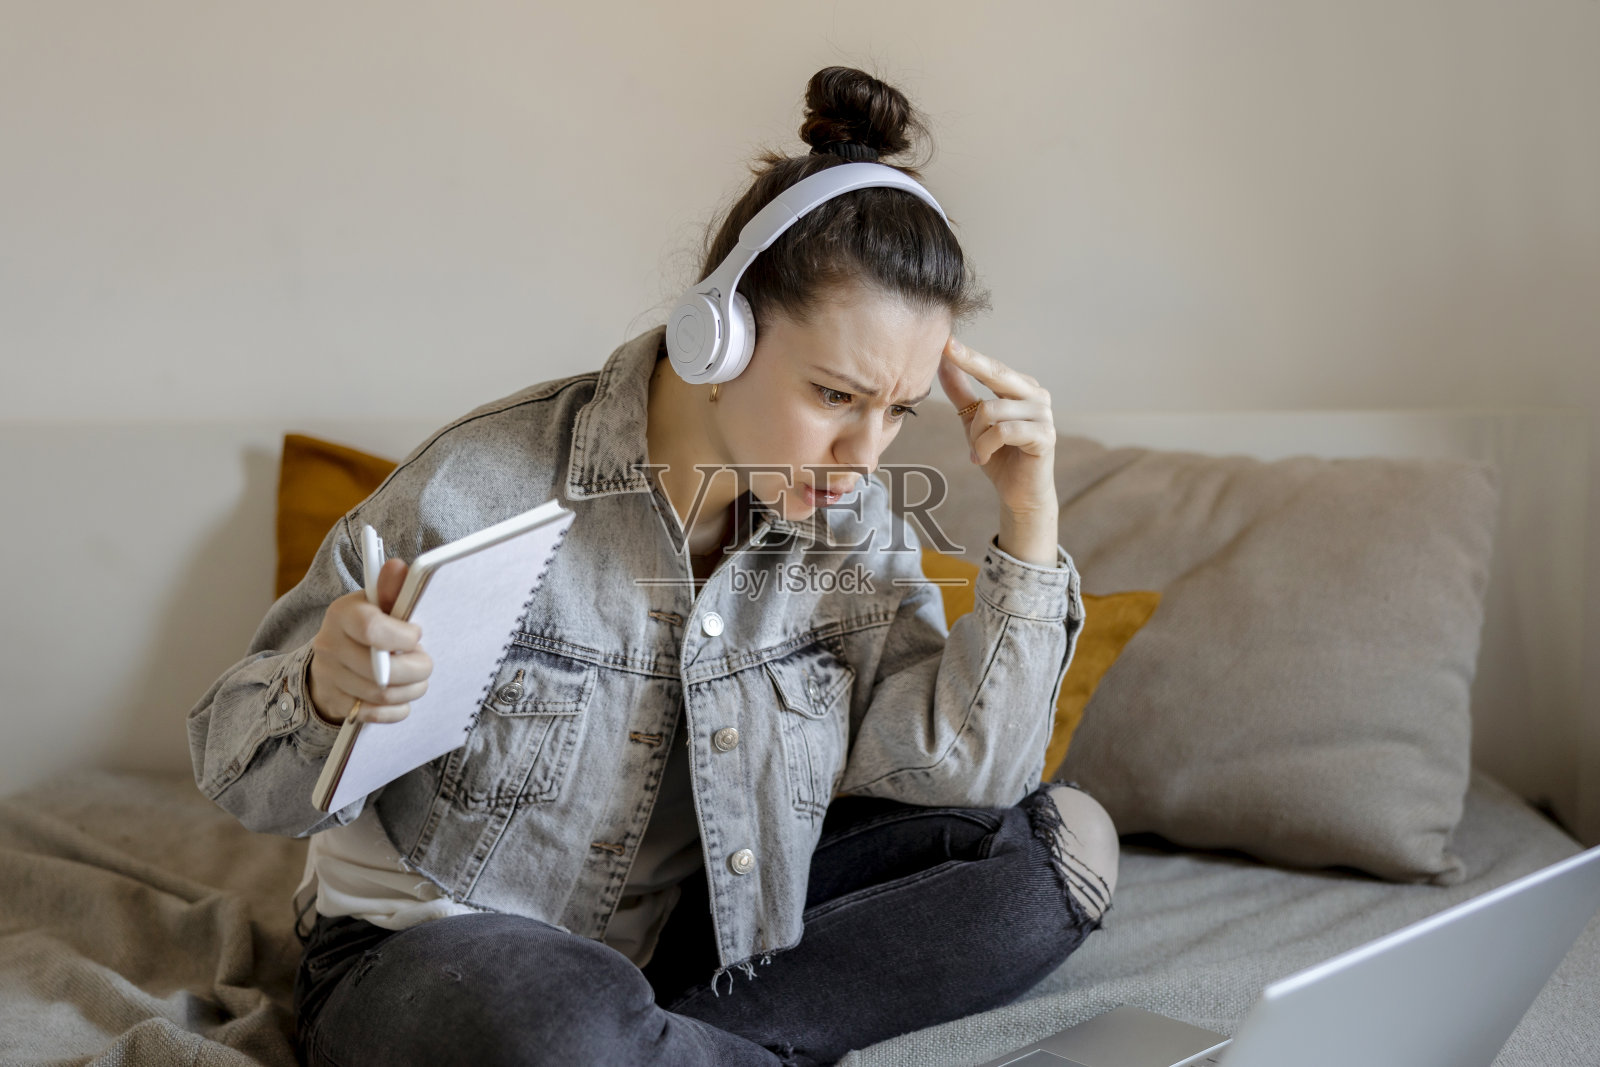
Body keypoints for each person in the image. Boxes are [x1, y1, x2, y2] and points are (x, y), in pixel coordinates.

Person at [188, 65, 1119, 1067]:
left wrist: (1030, 517)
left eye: (897, 410)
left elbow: (970, 777)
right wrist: (325, 694)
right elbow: (239, 777)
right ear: (716, 337)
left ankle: (663, 1047)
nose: (865, 454)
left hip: (692, 947)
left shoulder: (848, 521)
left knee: (1060, 851)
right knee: (560, 1022)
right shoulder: (476, 486)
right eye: (835, 395)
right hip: (436, 958)